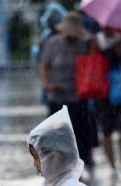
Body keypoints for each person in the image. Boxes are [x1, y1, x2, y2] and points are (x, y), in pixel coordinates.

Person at [40, 12, 97, 172]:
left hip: (79, 96)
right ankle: (60, 165)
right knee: (57, 133)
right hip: (57, 96)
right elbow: (44, 66)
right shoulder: (52, 44)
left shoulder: (84, 45)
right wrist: (47, 84)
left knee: (81, 131)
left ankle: (85, 161)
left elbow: (92, 63)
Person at [95, 27, 121, 178]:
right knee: (106, 131)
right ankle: (112, 166)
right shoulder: (95, 41)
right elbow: (91, 64)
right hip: (103, 93)